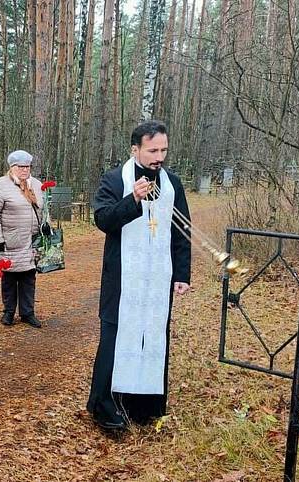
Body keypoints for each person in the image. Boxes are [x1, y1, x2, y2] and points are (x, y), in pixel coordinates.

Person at [86, 120, 191, 430]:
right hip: (122, 278)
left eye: (163, 150)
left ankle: (143, 406)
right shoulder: (114, 179)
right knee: (115, 337)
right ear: (135, 149)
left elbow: (182, 231)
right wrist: (131, 199)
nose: (159, 157)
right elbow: (103, 220)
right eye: (152, 151)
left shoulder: (172, 183)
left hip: (158, 279)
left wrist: (182, 273)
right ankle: (104, 406)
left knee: (153, 336)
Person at [0, 150, 44, 328]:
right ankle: (9, 311)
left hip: (32, 240)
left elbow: (43, 209)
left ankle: (28, 312)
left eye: (27, 167)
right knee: (10, 277)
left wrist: (45, 226)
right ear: (12, 167)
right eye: (21, 167)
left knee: (28, 276)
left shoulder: (36, 184)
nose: (25, 170)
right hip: (11, 239)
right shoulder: (1, 185)